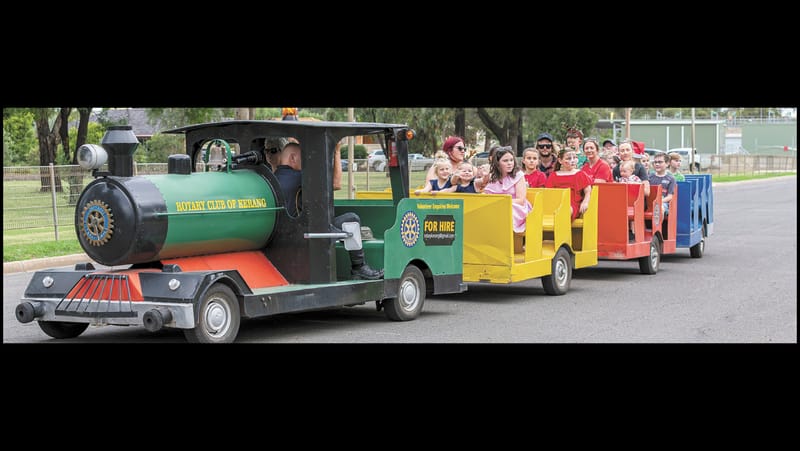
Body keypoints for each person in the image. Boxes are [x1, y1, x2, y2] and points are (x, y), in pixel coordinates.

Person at [274, 141, 384, 280]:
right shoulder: (299, 177)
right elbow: (336, 184)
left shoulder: (273, 177)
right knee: (352, 219)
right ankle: (359, 267)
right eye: (304, 159)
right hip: (301, 236)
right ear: (293, 158)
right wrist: (336, 151)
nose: (306, 164)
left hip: (280, 237)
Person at [482, 147, 533, 233]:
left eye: (511, 160)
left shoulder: (518, 175)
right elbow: (487, 194)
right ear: (497, 163)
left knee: (503, 212)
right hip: (496, 206)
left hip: (516, 207)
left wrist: (502, 202)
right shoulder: (493, 176)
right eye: (505, 161)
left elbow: (521, 200)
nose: (509, 163)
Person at [545, 147, 592, 221]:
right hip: (556, 203)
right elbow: (548, 192)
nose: (572, 161)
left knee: (565, 210)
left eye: (575, 157)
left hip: (572, 204)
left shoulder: (580, 174)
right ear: (560, 160)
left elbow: (588, 190)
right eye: (568, 158)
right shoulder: (553, 175)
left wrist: (585, 202)